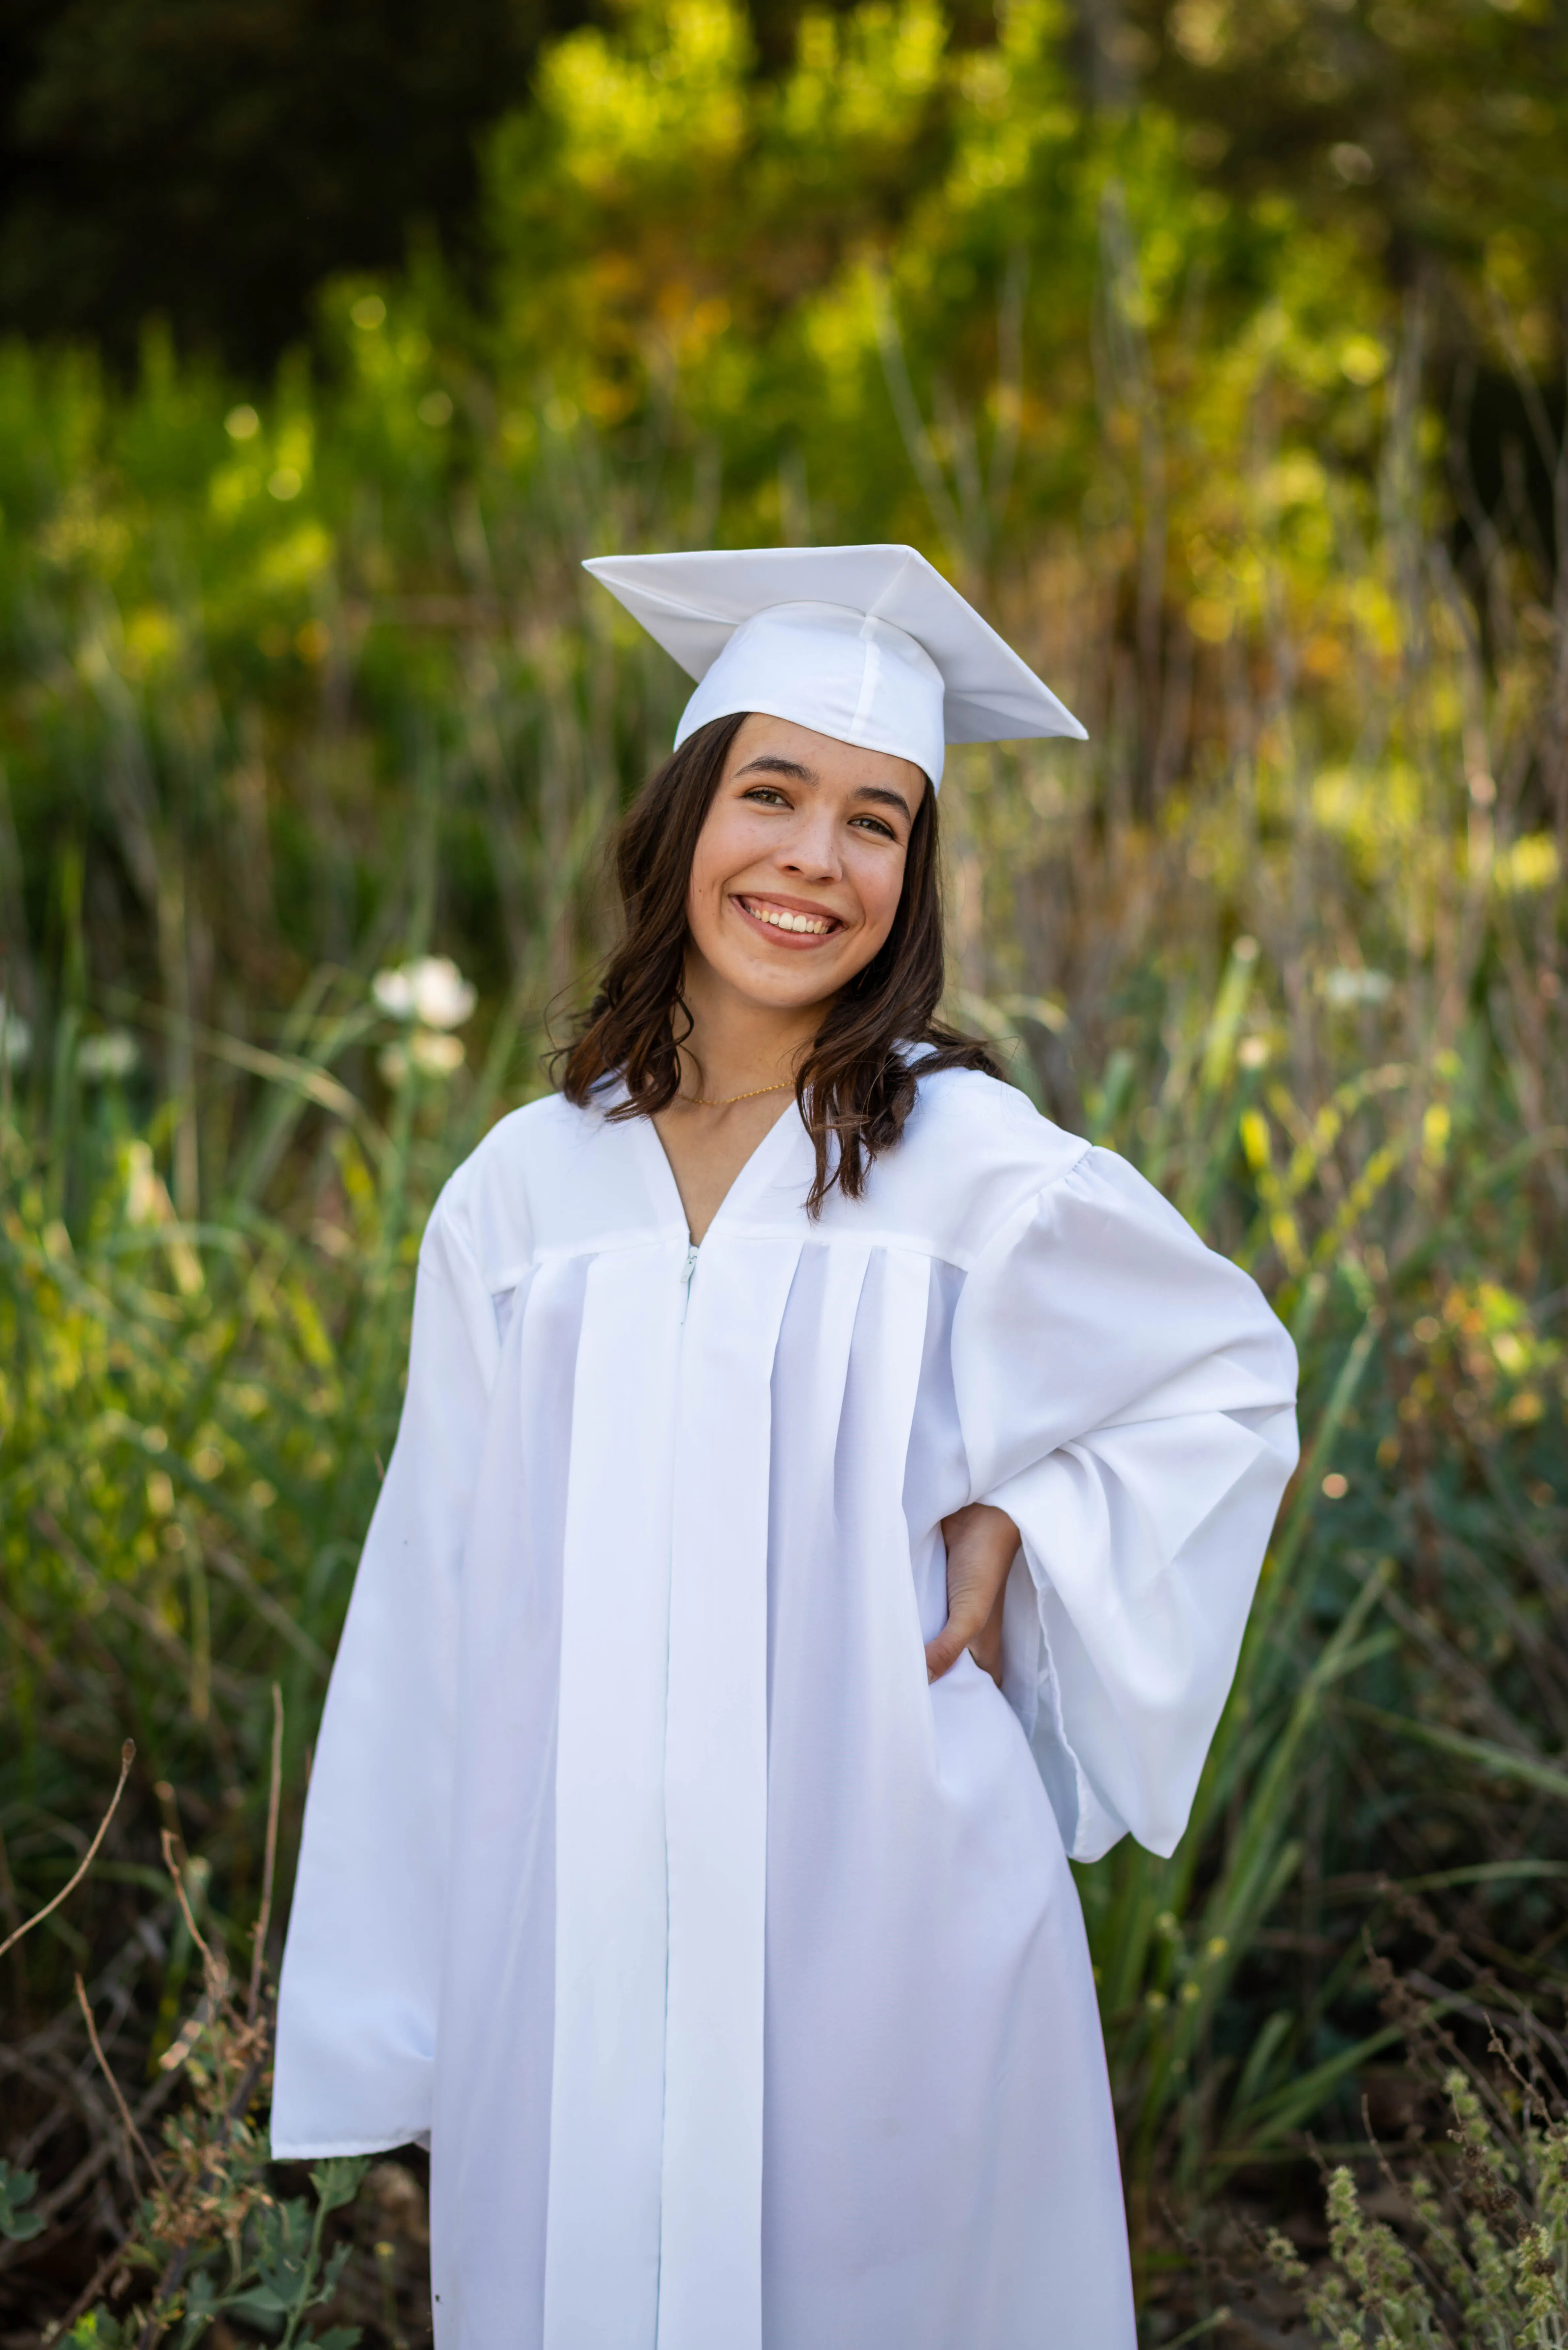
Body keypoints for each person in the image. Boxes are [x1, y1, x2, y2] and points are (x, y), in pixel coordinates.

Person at [272, 543, 1298, 2350]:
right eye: (773, 795)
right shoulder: (523, 1194)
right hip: (578, 1938)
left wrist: (1026, 1521)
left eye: (878, 821)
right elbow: (433, 1593)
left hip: (890, 1924)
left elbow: (1226, 1380)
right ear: (680, 824)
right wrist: (392, 2011)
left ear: (914, 877)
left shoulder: (972, 1168)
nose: (816, 862)